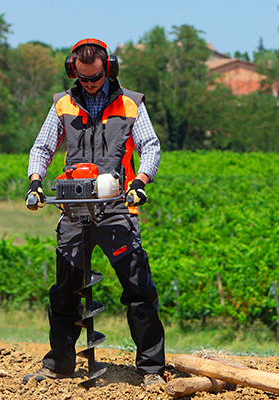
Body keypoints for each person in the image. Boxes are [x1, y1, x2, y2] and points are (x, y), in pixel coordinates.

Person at [23, 38, 166, 389]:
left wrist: (141, 181)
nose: (89, 84)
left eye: (96, 77)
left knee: (138, 289)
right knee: (65, 291)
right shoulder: (63, 104)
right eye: (83, 78)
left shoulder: (130, 103)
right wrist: (35, 182)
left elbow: (150, 146)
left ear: (109, 69)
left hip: (117, 208)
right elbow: (43, 146)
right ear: (73, 71)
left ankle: (151, 369)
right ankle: (59, 364)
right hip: (74, 208)